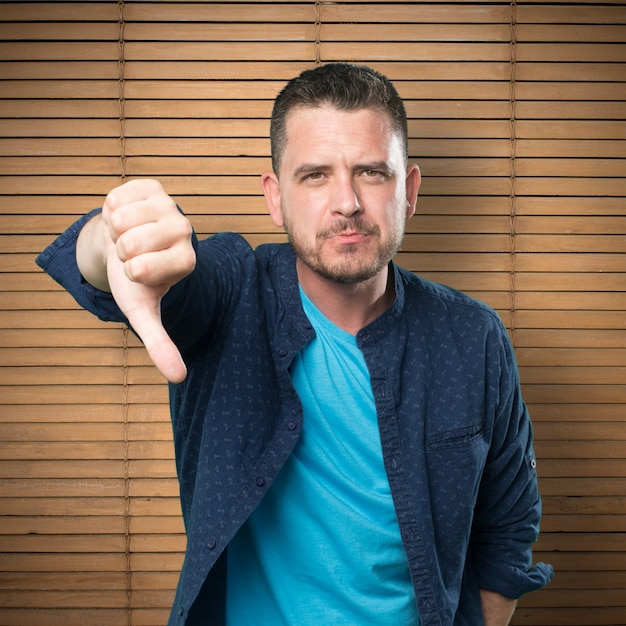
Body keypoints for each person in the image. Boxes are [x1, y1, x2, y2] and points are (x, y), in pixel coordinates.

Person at [37, 63, 553, 625]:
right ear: (275, 196)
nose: (347, 202)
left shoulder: (473, 336)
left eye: (372, 172)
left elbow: (506, 533)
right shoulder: (231, 293)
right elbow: (128, 273)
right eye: (314, 175)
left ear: (408, 191)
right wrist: (109, 242)